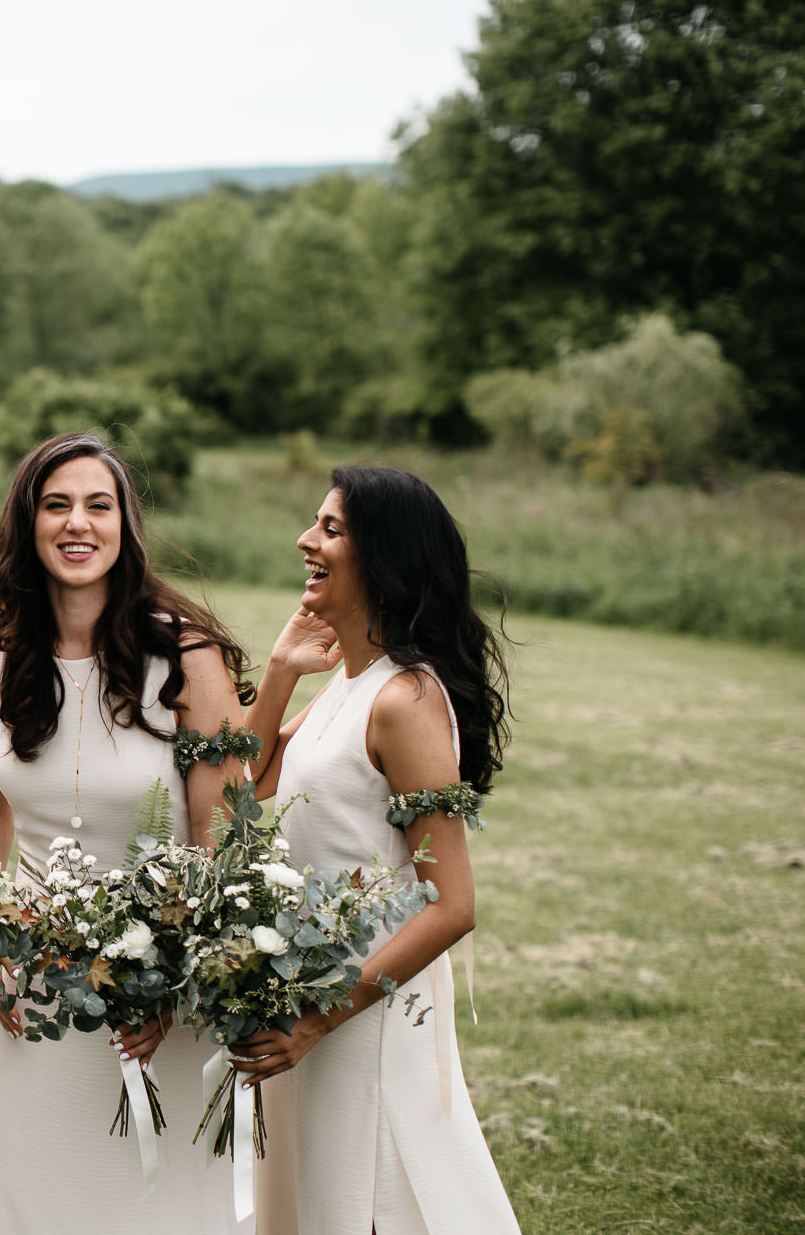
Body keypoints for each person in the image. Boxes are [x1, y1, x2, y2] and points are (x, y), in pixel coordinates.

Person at [0, 431, 256, 1233]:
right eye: (56, 505)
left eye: (98, 505)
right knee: (34, 1195)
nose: (77, 524)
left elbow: (219, 838)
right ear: (27, 523)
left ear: (125, 526)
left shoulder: (187, 657)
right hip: (39, 988)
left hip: (156, 998)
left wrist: (167, 973)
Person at [234, 464, 519, 1234]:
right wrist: (281, 671)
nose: (306, 539)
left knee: (373, 1192)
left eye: (330, 529)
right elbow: (245, 784)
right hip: (307, 984)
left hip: (364, 1005)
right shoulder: (352, 683)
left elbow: (452, 905)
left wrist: (321, 1018)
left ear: (385, 558)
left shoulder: (407, 701)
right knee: (312, 1195)